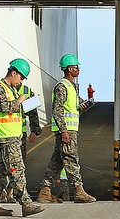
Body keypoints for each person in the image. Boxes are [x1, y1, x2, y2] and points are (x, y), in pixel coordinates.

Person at [0, 58, 44, 217]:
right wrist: (19, 101)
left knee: (0, 173)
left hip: (10, 137)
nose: (21, 81)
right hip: (5, 138)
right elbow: (1, 107)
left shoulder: (11, 89)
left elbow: (18, 111)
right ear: (13, 72)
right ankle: (26, 204)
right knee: (17, 170)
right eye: (21, 77)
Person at [38, 53, 96, 203]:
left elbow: (71, 109)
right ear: (70, 69)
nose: (78, 70)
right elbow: (57, 110)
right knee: (71, 159)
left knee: (56, 163)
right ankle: (79, 191)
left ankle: (45, 192)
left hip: (69, 130)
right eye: (76, 67)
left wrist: (83, 106)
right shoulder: (62, 86)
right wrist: (64, 130)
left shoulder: (71, 87)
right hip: (67, 132)